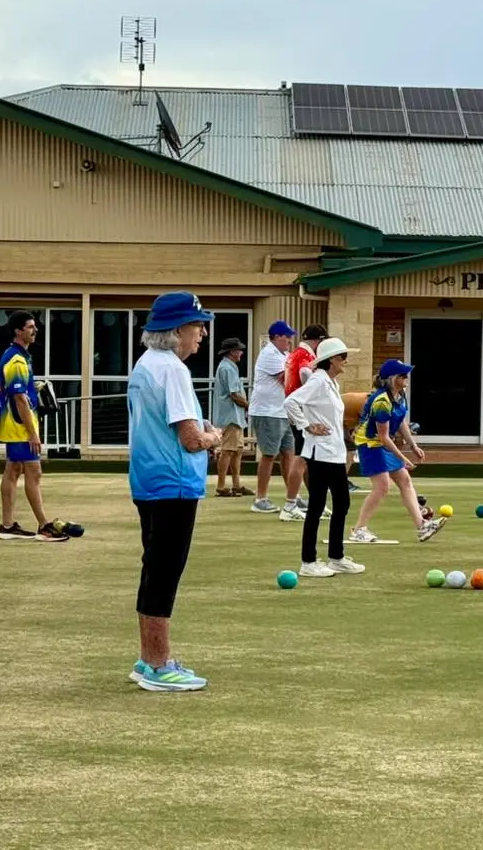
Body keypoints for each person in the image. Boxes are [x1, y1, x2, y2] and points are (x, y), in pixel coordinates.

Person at [126, 291, 222, 691]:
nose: (202, 333)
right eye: (198, 325)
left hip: (149, 481)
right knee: (164, 572)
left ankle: (149, 659)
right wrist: (214, 437)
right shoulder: (173, 370)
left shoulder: (146, 364)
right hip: (174, 483)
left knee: (155, 569)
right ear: (177, 329)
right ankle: (158, 663)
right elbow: (190, 439)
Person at [0, 311, 78, 542]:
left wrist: (34, 387)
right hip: (19, 427)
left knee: (13, 470)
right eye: (30, 327)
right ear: (18, 331)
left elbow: (19, 392)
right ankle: (44, 526)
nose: (35, 330)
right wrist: (32, 434)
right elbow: (19, 398)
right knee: (34, 471)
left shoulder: (18, 356)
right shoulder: (17, 360)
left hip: (14, 425)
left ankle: (7, 525)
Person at [283, 337, 362, 577]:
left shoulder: (331, 383)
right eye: (343, 357)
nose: (346, 361)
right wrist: (306, 425)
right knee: (318, 505)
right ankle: (308, 562)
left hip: (333, 452)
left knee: (341, 503)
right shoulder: (318, 380)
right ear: (332, 360)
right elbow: (291, 402)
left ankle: (336, 557)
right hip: (320, 452)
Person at [347, 360, 445, 544]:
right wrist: (403, 457)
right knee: (382, 486)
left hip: (382, 443)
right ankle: (359, 529)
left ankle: (422, 526)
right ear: (392, 379)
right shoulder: (381, 401)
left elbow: (400, 422)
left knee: (404, 480)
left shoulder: (400, 396)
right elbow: (383, 436)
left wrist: (413, 445)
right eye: (402, 375)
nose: (406, 377)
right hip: (370, 443)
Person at [248, 321, 304, 519]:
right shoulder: (269, 354)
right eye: (286, 336)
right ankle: (260, 499)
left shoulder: (285, 355)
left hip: (282, 411)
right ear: (276, 337)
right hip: (267, 412)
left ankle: (293, 497)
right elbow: (287, 379)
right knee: (269, 455)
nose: (289, 340)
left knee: (289, 454)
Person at [282, 323, 327, 512]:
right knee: (302, 458)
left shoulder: (294, 354)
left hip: (296, 410)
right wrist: (314, 391)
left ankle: (313, 500)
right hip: (302, 411)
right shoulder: (305, 356)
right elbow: (305, 372)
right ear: (318, 341)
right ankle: (291, 503)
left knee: (306, 458)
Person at [211, 336, 250, 497]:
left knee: (237, 450)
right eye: (239, 350)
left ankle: (236, 484)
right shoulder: (227, 368)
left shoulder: (229, 367)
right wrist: (249, 405)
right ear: (232, 352)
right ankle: (221, 486)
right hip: (230, 415)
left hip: (235, 416)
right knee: (227, 450)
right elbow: (234, 394)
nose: (241, 353)